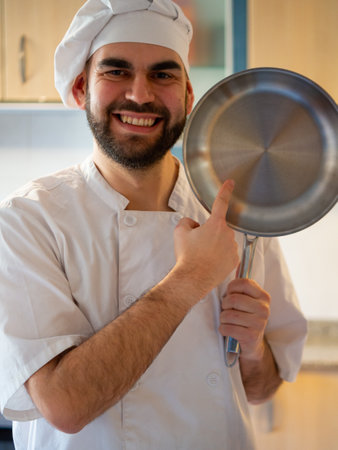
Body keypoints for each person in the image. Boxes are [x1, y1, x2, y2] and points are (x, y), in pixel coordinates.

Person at [0, 1, 307, 449]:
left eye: (163, 74)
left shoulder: (236, 212)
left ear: (187, 97)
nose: (140, 95)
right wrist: (190, 279)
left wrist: (254, 348)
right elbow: (64, 404)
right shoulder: (29, 221)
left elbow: (260, 389)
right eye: (117, 72)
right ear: (83, 88)